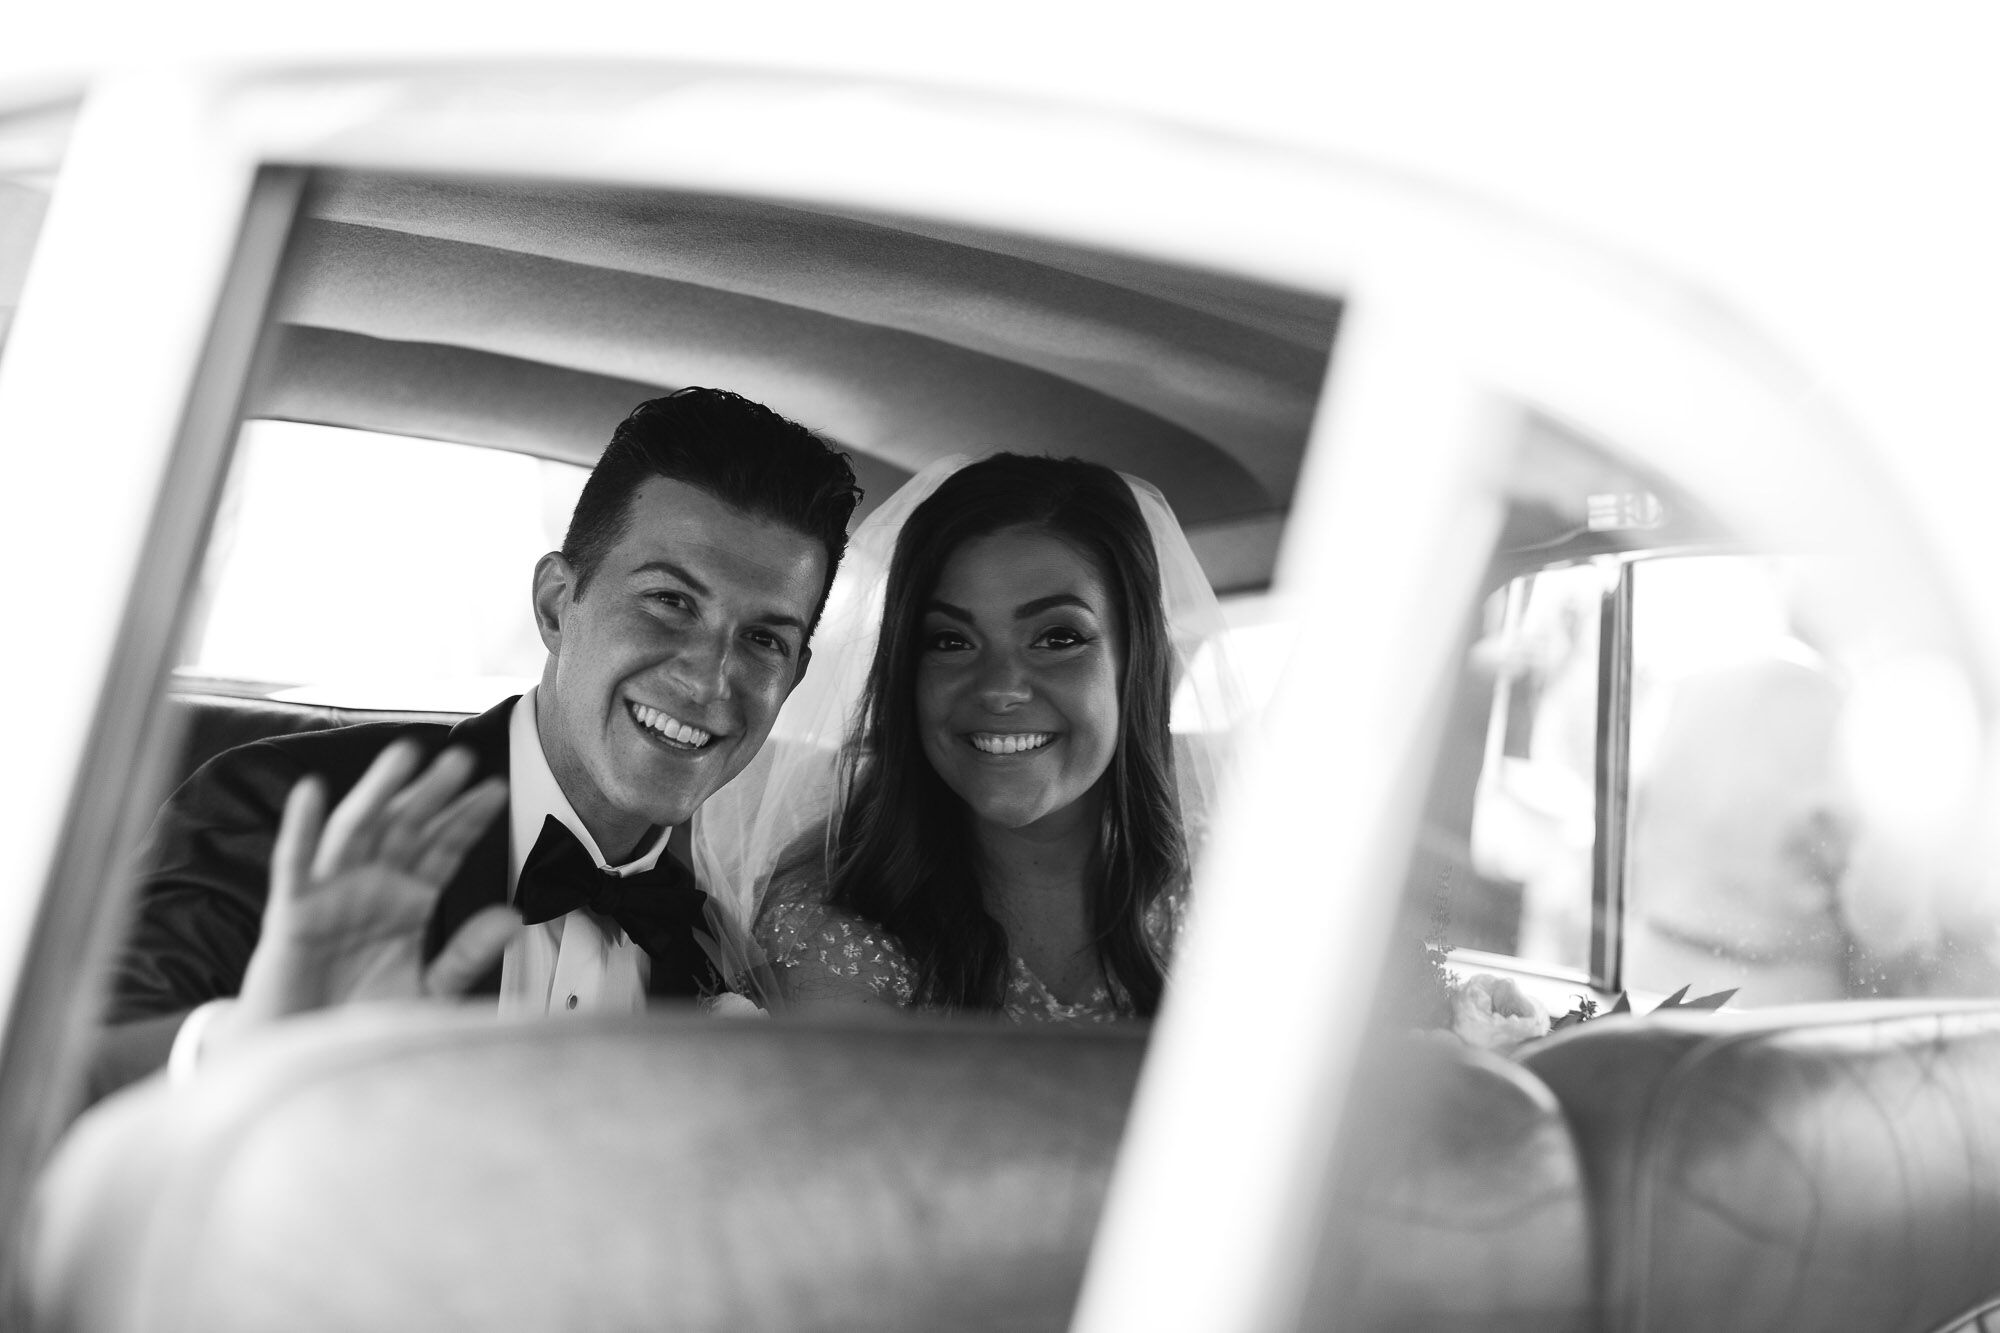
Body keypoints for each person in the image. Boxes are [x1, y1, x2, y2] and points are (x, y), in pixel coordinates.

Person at [95, 388, 861, 1093]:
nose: (709, 679)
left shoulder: (716, 949)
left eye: (763, 637)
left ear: (794, 677)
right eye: (669, 601)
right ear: (558, 605)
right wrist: (242, 1043)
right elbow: (62, 1066)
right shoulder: (297, 809)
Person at [727, 453, 1238, 1022]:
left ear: (1139, 665)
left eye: (1058, 637)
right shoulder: (836, 929)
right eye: (950, 641)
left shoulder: (1235, 886)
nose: (999, 689)